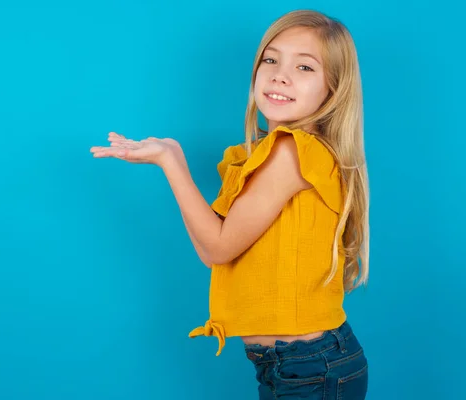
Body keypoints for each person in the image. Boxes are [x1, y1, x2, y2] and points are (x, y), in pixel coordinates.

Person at [91, 9, 370, 399]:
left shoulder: (294, 153)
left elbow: (218, 247)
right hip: (296, 364)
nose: (279, 75)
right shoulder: (271, 154)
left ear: (333, 88)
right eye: (270, 59)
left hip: (308, 366)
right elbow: (218, 241)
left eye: (305, 67)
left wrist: (171, 160)